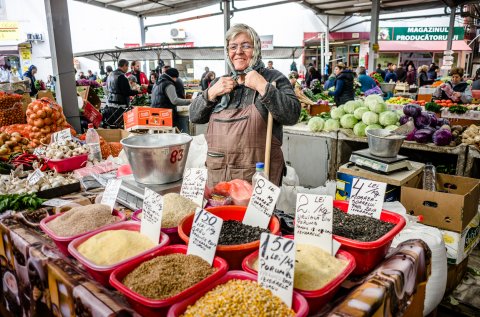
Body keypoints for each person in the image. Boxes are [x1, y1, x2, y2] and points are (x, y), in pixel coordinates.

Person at [190, 23, 300, 187]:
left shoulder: (273, 78)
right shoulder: (219, 82)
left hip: (258, 179)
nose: (238, 52)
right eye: (233, 47)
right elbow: (194, 116)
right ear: (228, 52)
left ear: (256, 50)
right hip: (219, 177)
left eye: (246, 46)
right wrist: (211, 93)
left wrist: (263, 87)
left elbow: (292, 114)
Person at [151, 68, 191, 132]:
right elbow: (174, 100)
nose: (176, 80)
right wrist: (190, 101)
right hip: (165, 114)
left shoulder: (157, 83)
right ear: (174, 77)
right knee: (170, 135)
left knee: (160, 134)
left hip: (155, 113)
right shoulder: (168, 84)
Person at [103, 59, 140, 127]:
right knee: (120, 125)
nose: (127, 68)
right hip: (120, 106)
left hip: (110, 104)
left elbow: (107, 88)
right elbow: (126, 92)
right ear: (124, 66)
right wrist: (137, 91)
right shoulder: (122, 77)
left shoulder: (110, 74)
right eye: (127, 66)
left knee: (112, 125)